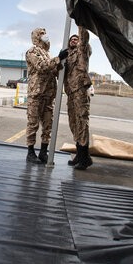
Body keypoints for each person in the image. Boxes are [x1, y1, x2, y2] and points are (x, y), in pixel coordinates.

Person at [25, 28, 62, 164]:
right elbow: (41, 66)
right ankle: (30, 152)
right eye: (41, 34)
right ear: (36, 36)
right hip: (37, 94)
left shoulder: (47, 53)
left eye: (44, 33)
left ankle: (43, 152)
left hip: (48, 94)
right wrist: (58, 59)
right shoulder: (32, 51)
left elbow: (52, 68)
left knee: (48, 125)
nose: (44, 36)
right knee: (33, 123)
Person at [59, 25, 93, 169]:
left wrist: (81, 22)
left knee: (81, 121)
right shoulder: (68, 54)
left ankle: (84, 157)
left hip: (79, 90)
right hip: (70, 92)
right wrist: (59, 59)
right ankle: (80, 154)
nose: (74, 40)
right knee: (74, 123)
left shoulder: (82, 51)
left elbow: (84, 37)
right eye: (72, 39)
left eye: (76, 39)